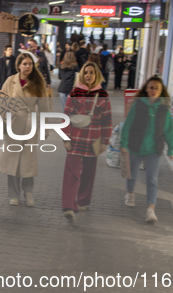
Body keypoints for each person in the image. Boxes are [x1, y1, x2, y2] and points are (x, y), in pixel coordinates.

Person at [0, 53, 51, 207]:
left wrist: (45, 128)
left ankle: (28, 192)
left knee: (28, 161)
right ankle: (13, 195)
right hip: (13, 124)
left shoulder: (38, 82)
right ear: (18, 65)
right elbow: (2, 103)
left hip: (30, 124)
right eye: (25, 64)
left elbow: (44, 107)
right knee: (12, 161)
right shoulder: (10, 81)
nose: (28, 67)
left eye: (30, 64)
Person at [61, 62, 112, 220]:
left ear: (97, 75)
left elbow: (107, 120)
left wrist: (105, 141)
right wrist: (65, 138)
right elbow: (66, 117)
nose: (89, 75)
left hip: (94, 140)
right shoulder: (75, 93)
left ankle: (83, 200)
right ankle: (69, 206)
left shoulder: (103, 96)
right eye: (86, 72)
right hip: (75, 139)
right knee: (71, 173)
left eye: (92, 72)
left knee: (89, 173)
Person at [120, 76, 173, 223]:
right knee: (132, 174)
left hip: (154, 149)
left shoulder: (164, 109)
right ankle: (130, 193)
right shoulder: (138, 105)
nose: (153, 90)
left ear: (161, 90)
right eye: (151, 87)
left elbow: (169, 130)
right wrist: (123, 143)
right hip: (136, 146)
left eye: (157, 88)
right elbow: (128, 125)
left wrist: (170, 149)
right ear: (146, 88)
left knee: (152, 178)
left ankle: (151, 210)